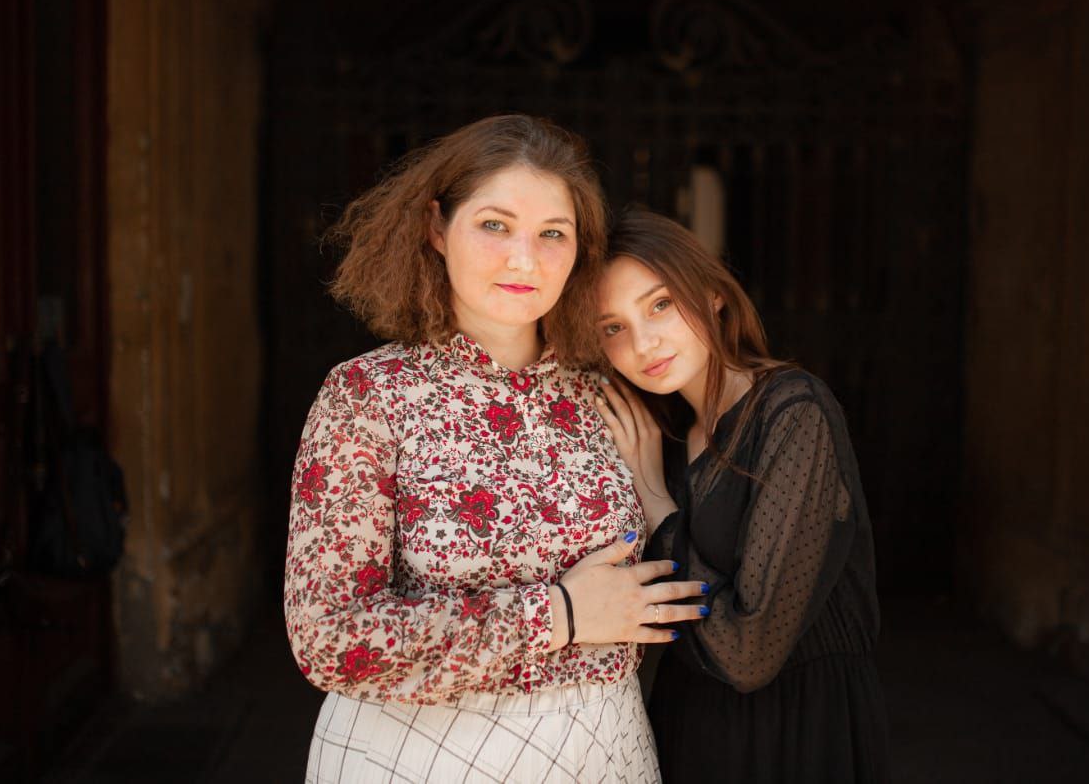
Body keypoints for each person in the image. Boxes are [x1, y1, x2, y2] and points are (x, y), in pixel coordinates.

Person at [284, 118, 706, 784]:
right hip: (419, 754)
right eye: (494, 225)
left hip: (604, 747)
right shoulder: (368, 396)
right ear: (436, 227)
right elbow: (329, 638)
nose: (524, 259)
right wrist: (558, 614)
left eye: (552, 234)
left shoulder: (608, 393)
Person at [593, 210, 890, 783]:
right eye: (612, 328)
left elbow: (747, 652)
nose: (643, 343)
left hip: (799, 735)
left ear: (713, 294)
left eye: (660, 304)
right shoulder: (662, 435)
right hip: (691, 727)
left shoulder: (794, 412)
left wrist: (654, 500)